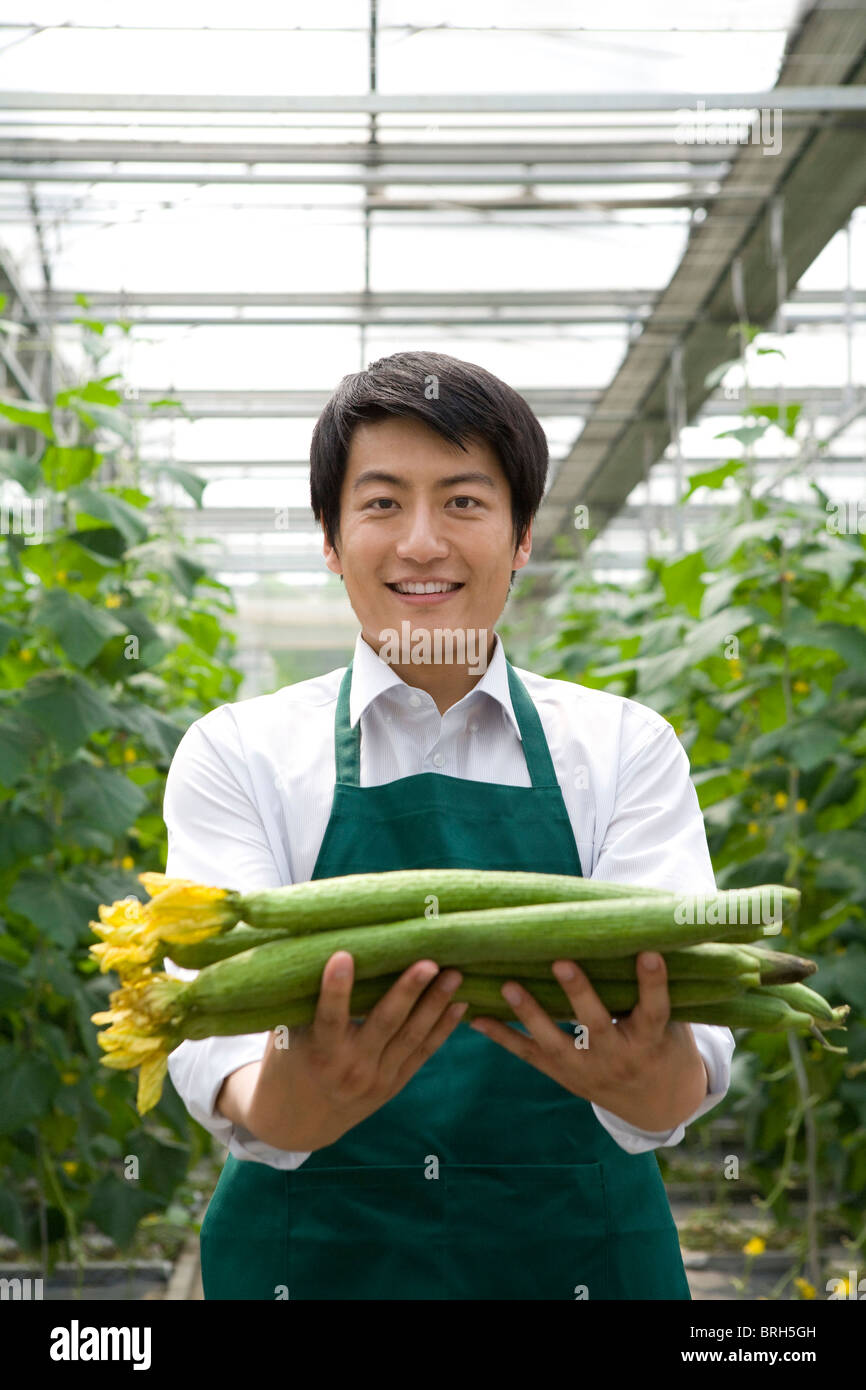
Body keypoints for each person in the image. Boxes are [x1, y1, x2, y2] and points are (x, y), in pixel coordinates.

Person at [162, 350, 734, 1301]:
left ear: (520, 540)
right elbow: (220, 1048)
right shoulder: (238, 754)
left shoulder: (626, 747)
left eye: (464, 502)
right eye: (382, 503)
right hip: (310, 1264)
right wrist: (292, 1101)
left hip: (579, 1260)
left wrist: (648, 1076)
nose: (421, 543)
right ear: (331, 539)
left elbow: (686, 1065)